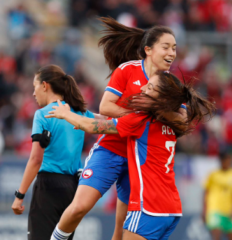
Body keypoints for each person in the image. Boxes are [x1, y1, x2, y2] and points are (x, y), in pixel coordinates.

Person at [50, 16, 187, 240]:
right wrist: (139, 119)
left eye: (174, 48)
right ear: (148, 50)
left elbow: (183, 121)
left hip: (138, 158)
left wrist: (150, 116)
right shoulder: (127, 70)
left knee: (121, 229)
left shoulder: (168, 85)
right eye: (166, 47)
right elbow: (105, 107)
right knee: (79, 207)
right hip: (112, 147)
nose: (172, 53)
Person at [47, 71, 215, 240]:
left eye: (149, 87)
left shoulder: (142, 120)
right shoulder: (173, 123)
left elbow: (94, 127)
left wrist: (66, 114)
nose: (142, 88)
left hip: (148, 206)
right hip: (171, 207)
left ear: (162, 98)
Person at [11, 65, 101, 240]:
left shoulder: (43, 114)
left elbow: (36, 159)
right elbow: (109, 123)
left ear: (45, 86)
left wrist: (19, 196)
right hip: (72, 189)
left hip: (48, 187)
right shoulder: (79, 113)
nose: (33, 93)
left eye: (35, 87)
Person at [202, 152, 232, 240]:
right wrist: (204, 210)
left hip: (229, 211)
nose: (230, 162)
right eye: (228, 160)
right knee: (216, 236)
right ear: (222, 161)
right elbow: (206, 192)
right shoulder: (213, 174)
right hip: (215, 210)